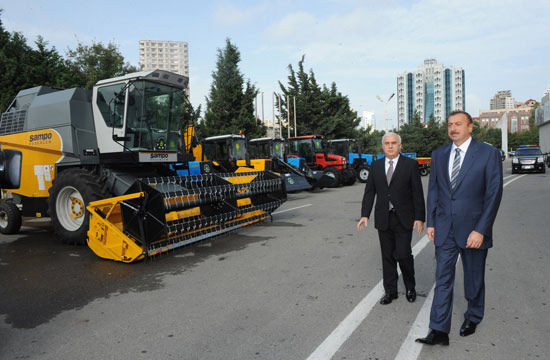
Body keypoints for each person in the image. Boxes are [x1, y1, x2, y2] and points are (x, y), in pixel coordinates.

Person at [416, 111, 503, 346]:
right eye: (450, 124)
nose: (453, 128)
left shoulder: (488, 154)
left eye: (458, 124)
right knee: (442, 278)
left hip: (474, 230)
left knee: (474, 278)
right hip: (445, 228)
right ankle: (438, 330)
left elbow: (493, 194)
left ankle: (473, 316)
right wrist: (432, 222)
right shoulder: (439, 154)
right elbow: (434, 190)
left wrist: (481, 229)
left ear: (470, 127)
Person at [358, 132, 425, 305]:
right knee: (387, 256)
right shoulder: (375, 166)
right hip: (383, 218)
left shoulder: (410, 165)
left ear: (400, 146)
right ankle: (391, 291)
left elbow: (417, 193)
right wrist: (365, 214)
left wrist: (420, 217)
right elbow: (370, 192)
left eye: (394, 143)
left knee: (403, 254)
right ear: (382, 146)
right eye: (387, 143)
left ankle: (410, 287)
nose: (390, 146)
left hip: (403, 218)